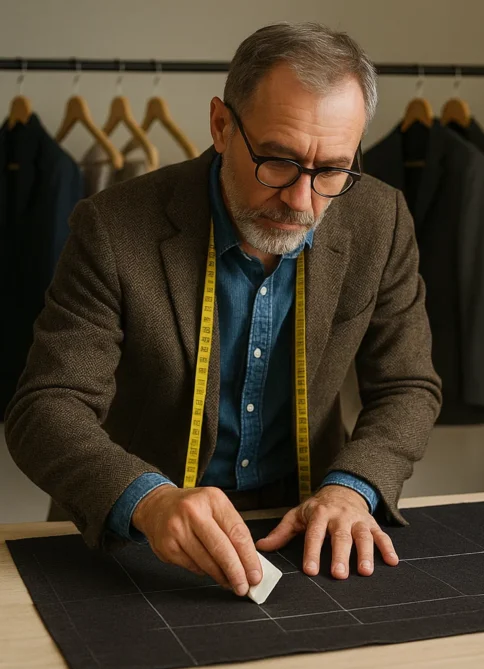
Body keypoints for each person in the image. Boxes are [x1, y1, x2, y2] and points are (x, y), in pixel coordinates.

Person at [5, 22, 441, 598]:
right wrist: (148, 500)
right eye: (279, 162)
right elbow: (44, 407)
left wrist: (353, 486)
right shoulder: (112, 227)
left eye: (332, 169)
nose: (301, 201)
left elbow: (408, 384)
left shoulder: (378, 219)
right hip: (140, 530)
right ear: (220, 125)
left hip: (301, 516)